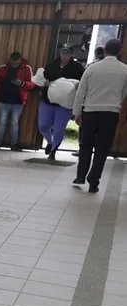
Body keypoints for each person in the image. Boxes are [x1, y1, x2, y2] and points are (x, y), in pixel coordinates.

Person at [72, 39, 127, 193]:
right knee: (102, 149)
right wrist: (115, 102)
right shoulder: (125, 70)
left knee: (85, 145)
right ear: (119, 51)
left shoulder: (92, 68)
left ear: (104, 50)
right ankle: (93, 181)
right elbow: (124, 92)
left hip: (90, 111)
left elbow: (81, 92)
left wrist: (77, 112)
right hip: (111, 113)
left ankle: (80, 176)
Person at [38, 44, 84, 161]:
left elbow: (83, 82)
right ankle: (50, 141)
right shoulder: (51, 64)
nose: (64, 55)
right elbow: (43, 77)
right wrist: (44, 83)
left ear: (72, 54)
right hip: (48, 100)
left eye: (67, 53)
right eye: (63, 53)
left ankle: (53, 151)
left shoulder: (78, 67)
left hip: (65, 104)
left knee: (58, 128)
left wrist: (78, 86)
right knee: (43, 126)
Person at [0, 51, 35, 150]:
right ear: (10, 60)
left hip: (18, 100)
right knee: (2, 121)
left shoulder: (27, 68)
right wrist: (2, 87)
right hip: (4, 99)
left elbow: (32, 84)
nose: (14, 65)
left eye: (16, 63)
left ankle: (14, 144)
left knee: (15, 122)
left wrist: (22, 83)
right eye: (12, 63)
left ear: (20, 60)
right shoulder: (3, 68)